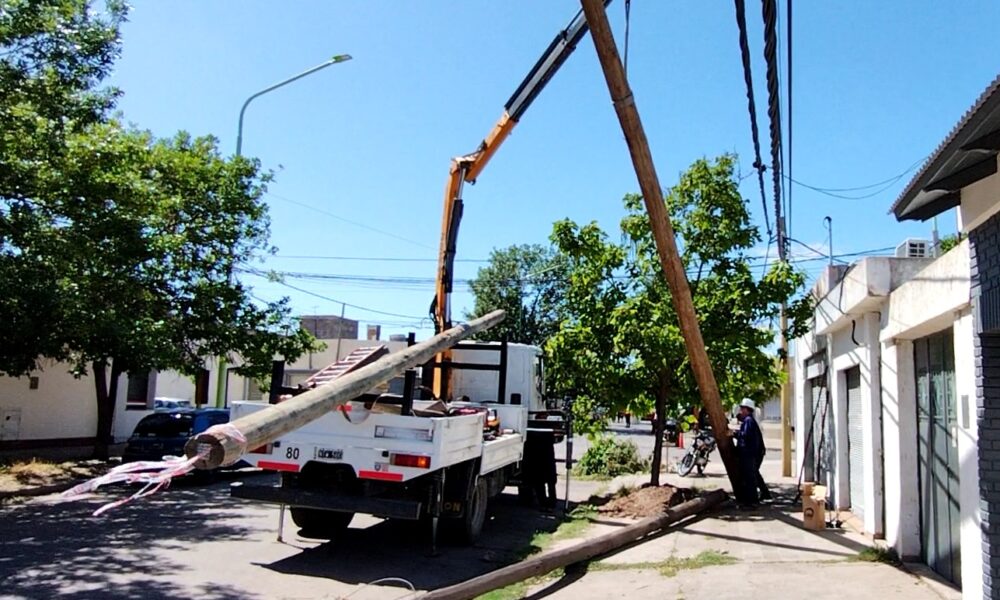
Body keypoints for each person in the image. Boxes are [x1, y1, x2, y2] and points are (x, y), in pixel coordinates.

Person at [734, 398, 768, 507]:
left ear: (747, 410)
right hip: (752, 453)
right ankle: (764, 494)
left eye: (742, 409)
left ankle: (752, 501)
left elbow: (745, 436)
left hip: (750, 454)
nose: (740, 411)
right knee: (753, 474)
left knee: (749, 477)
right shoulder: (748, 421)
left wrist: (734, 434)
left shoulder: (748, 421)